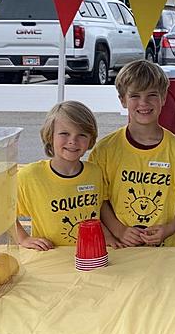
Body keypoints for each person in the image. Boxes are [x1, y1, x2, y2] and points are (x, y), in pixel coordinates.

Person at [93, 60, 175, 247]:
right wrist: (119, 230)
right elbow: (98, 200)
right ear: (122, 100)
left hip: (170, 253)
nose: (143, 103)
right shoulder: (105, 149)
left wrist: (169, 228)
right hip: (123, 250)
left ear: (163, 99)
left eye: (151, 95)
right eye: (134, 95)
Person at [16, 101, 108, 250]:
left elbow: (98, 212)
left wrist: (109, 236)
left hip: (90, 255)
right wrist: (23, 238)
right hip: (51, 257)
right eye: (64, 133)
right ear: (50, 135)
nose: (73, 141)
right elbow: (2, 211)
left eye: (82, 135)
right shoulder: (30, 176)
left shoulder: (95, 173)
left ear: (91, 140)